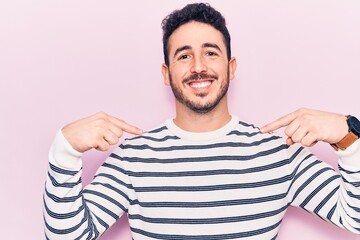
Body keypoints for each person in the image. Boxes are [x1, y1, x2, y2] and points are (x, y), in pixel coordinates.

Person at [44, 3, 360, 240]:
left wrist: (349, 137)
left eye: (210, 53)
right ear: (167, 75)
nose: (198, 67)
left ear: (231, 67)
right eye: (183, 55)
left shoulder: (278, 152)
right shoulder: (132, 157)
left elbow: (355, 218)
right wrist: (65, 151)